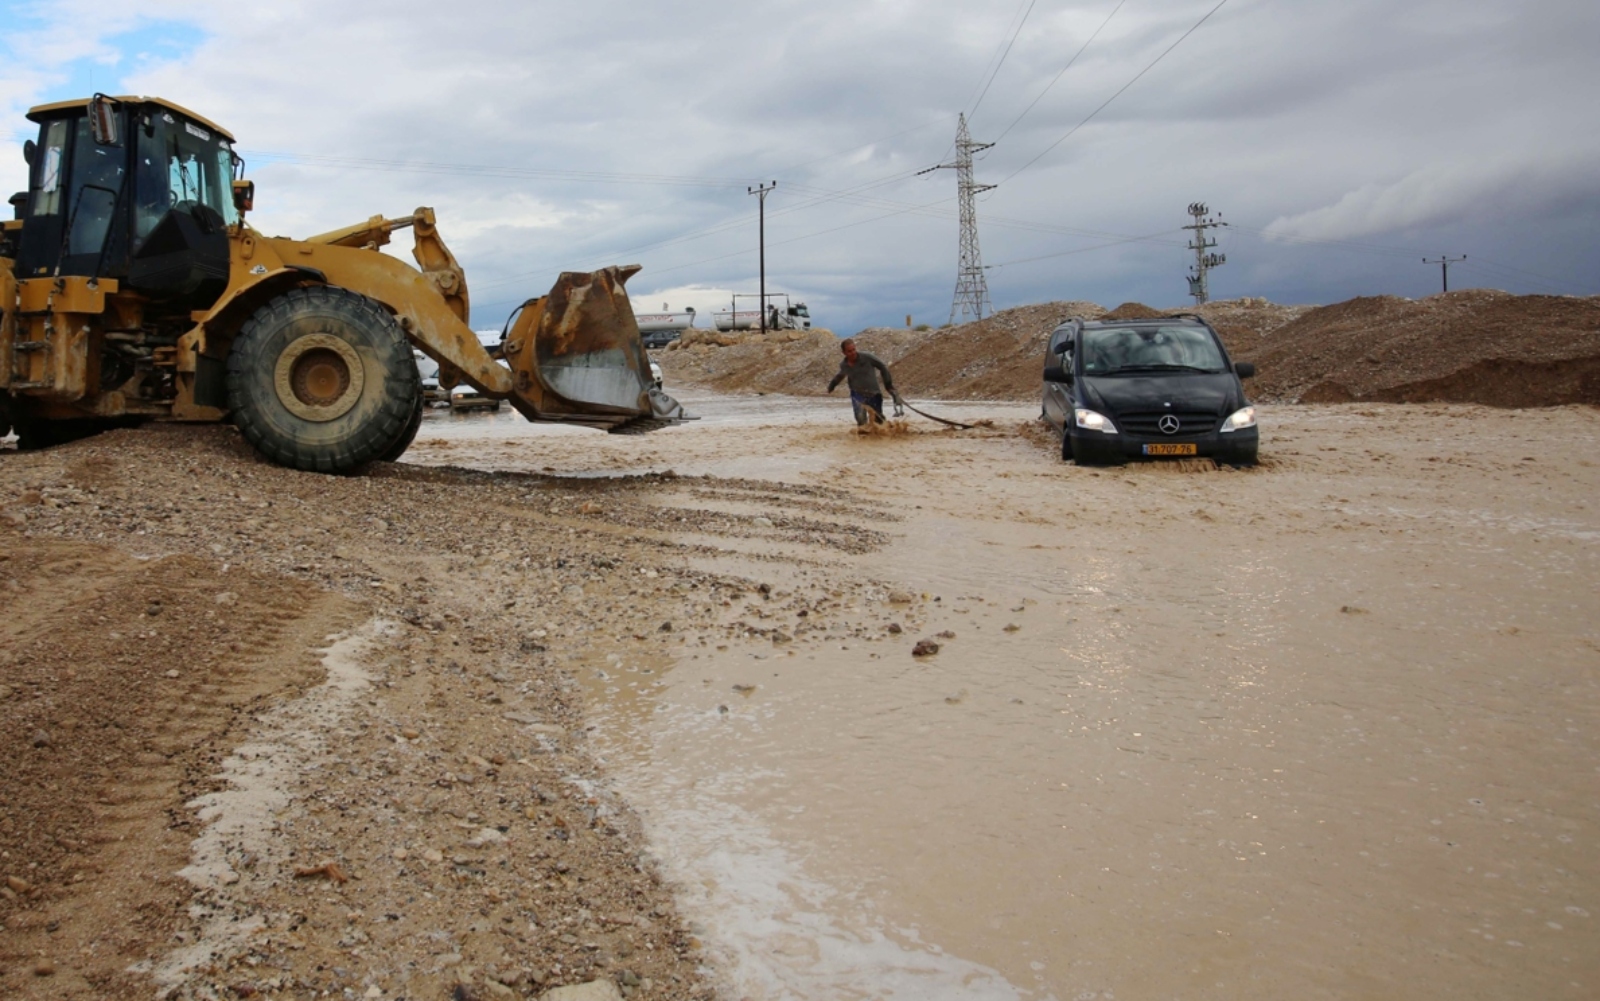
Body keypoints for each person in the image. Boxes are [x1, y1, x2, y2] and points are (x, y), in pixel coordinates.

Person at [826, 338, 901, 425]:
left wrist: (888, 386)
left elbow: (882, 366)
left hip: (874, 393)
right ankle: (863, 435)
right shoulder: (844, 365)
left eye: (854, 349)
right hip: (857, 394)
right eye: (849, 351)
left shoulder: (867, 357)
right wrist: (832, 385)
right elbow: (840, 375)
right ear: (844, 353)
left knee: (878, 421)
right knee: (860, 418)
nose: (853, 353)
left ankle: (884, 431)